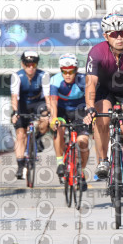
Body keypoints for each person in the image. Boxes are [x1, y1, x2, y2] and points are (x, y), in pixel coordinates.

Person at [83, 11, 123, 180]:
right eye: (114, 34)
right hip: (105, 90)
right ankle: (103, 160)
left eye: (122, 33)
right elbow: (90, 83)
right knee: (102, 115)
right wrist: (90, 107)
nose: (119, 38)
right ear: (105, 36)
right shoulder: (96, 52)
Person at [50, 53, 90, 192]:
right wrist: (54, 118)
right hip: (62, 111)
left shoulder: (83, 79)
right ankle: (60, 162)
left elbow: (90, 99)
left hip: (79, 111)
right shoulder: (55, 80)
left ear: (76, 70)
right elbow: (53, 102)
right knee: (58, 128)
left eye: (71, 71)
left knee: (83, 141)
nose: (67, 75)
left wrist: (91, 114)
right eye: (64, 71)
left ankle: (81, 171)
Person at [10, 50, 51, 180]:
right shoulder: (17, 76)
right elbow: (14, 96)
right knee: (20, 135)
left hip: (38, 103)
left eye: (34, 64)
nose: (31, 67)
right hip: (22, 104)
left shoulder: (43, 75)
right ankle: (20, 166)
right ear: (23, 64)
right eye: (28, 64)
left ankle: (37, 138)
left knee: (45, 120)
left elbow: (48, 96)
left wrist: (50, 113)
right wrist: (15, 112)